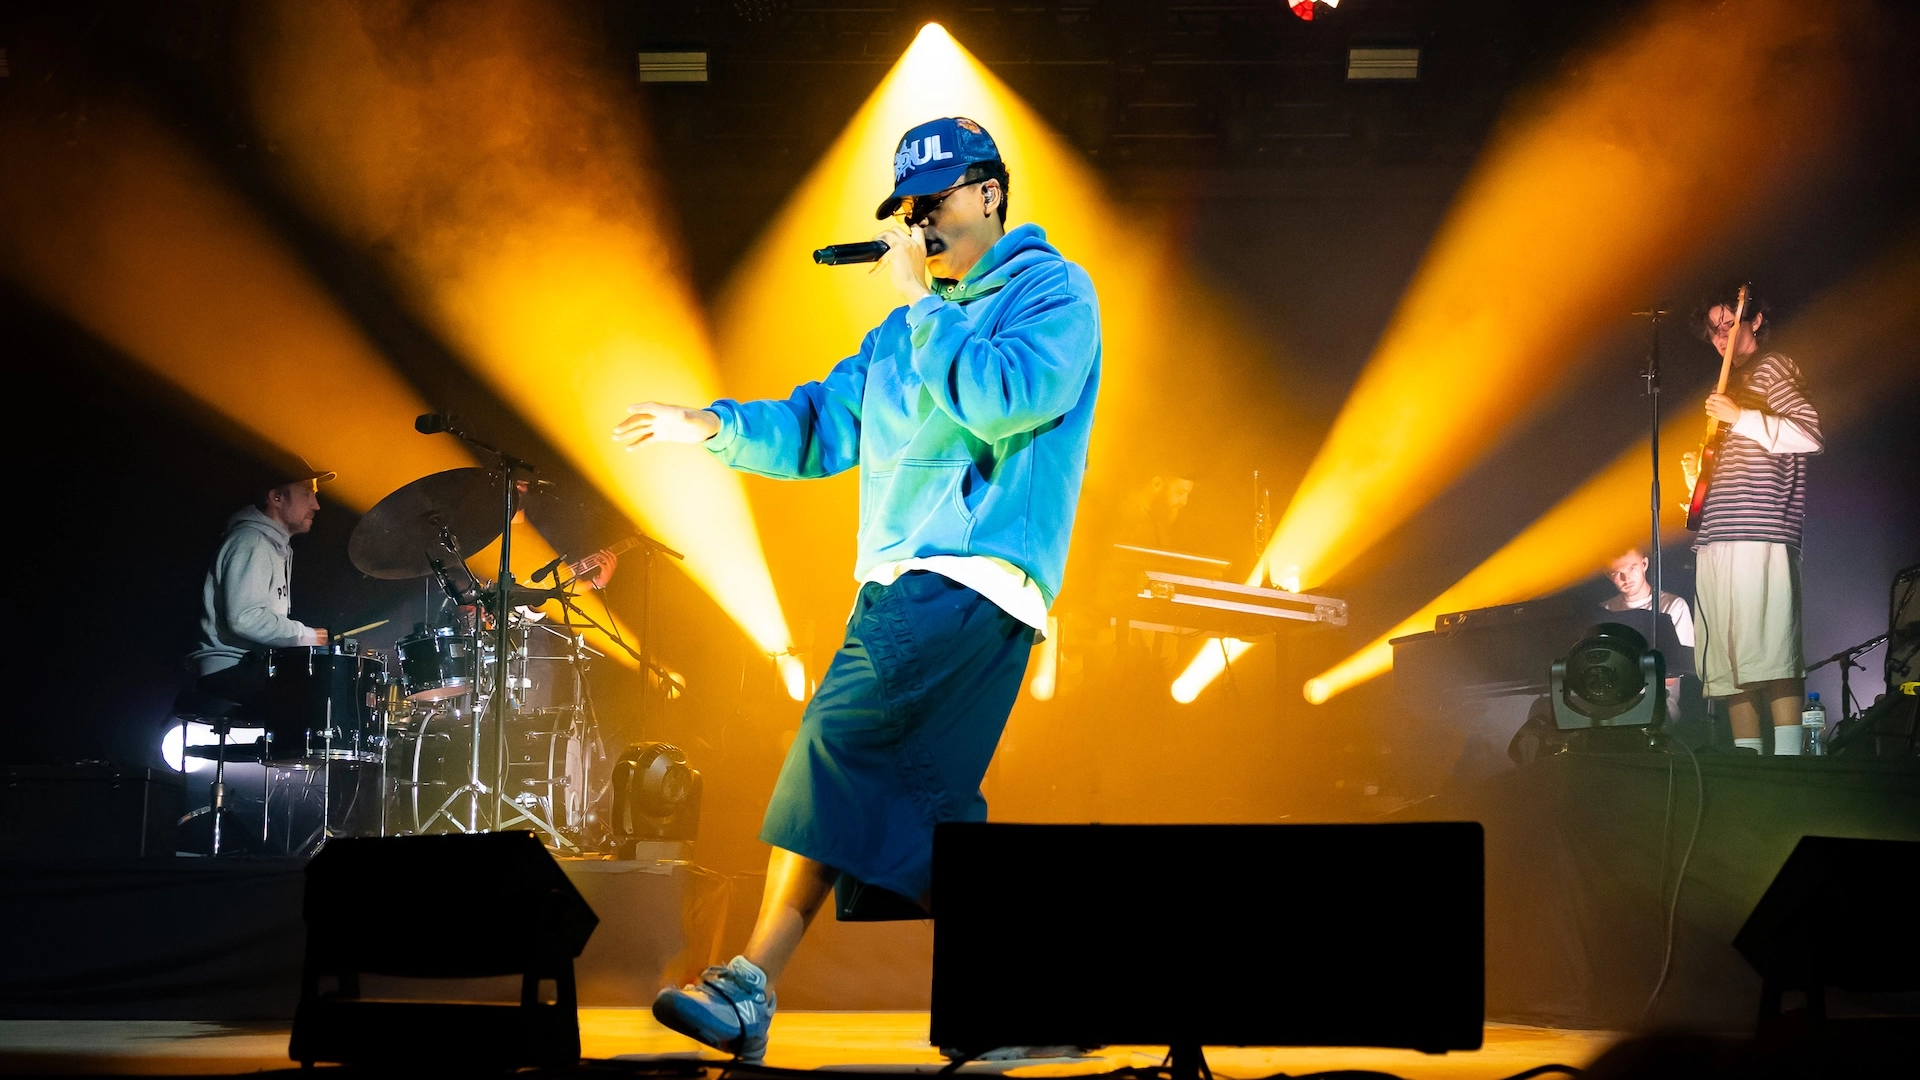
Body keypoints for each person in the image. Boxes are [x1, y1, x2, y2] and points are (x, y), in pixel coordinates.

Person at [613, 116, 1100, 1061]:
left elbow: (1007, 399)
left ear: (990, 192)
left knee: (835, 744)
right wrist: (710, 425)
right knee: (922, 808)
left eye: (933, 200)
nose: (917, 222)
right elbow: (817, 428)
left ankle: (750, 983)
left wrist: (923, 303)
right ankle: (1036, 999)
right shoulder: (899, 333)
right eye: (906, 209)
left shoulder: (1051, 291)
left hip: (968, 576)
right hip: (903, 582)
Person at [1682, 287, 1822, 756]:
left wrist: (1739, 415)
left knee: (1771, 653)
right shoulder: (1730, 386)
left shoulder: (1773, 367)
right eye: (1713, 330)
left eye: (1729, 323)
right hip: (1717, 535)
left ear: (1755, 320)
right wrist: (1699, 479)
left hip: (1760, 532)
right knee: (1728, 664)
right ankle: (1750, 766)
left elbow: (1810, 433)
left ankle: (1789, 765)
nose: (1721, 337)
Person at [189, 463, 334, 701]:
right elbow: (245, 618)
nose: (316, 505)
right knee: (322, 693)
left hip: (247, 666)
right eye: (307, 494)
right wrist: (306, 635)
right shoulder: (251, 541)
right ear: (276, 498)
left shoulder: (272, 545)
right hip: (228, 671)